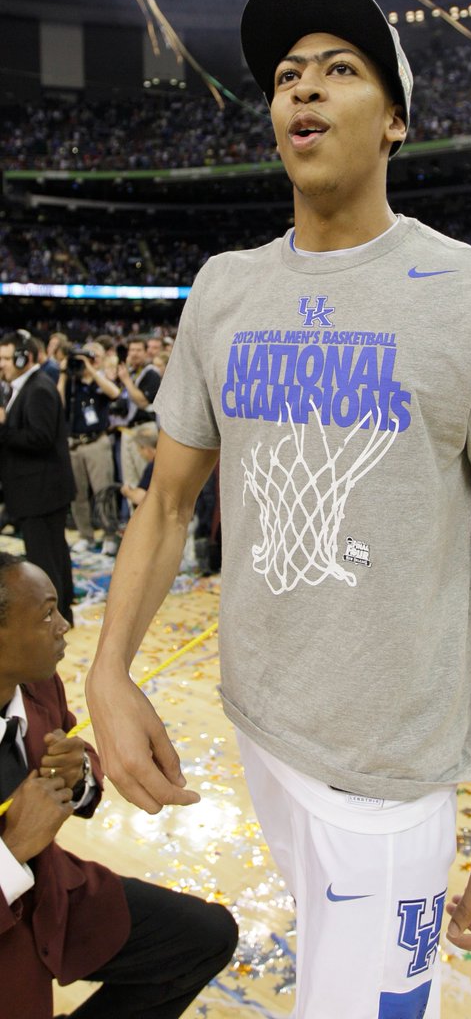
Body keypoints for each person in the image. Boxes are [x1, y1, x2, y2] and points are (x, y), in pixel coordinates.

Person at [85, 0, 471, 1018]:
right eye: (286, 77)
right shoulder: (224, 288)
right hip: (259, 722)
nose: (303, 89)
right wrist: (110, 670)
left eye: (340, 69)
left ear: (396, 119)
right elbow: (167, 505)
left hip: (387, 772)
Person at [0, 552, 238, 1019]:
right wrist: (12, 851)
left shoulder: (38, 685)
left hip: (54, 893)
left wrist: (79, 777)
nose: (64, 626)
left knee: (205, 937)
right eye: (47, 614)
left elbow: (77, 750)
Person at [0, 331, 75, 626]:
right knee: (55, 554)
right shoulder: (27, 387)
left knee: (46, 559)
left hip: (40, 492)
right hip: (39, 490)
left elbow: (40, 438)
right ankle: (63, 614)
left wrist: (3, 428)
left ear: (25, 357)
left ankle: (54, 620)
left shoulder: (38, 388)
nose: (1, 364)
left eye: (6, 358)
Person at [57, 342, 121, 556]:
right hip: (74, 443)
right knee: (77, 494)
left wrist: (92, 371)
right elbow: (57, 404)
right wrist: (64, 374)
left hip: (96, 442)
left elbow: (114, 393)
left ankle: (110, 535)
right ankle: (85, 535)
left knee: (103, 491)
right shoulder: (71, 382)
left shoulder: (100, 380)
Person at [116, 337, 160, 491]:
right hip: (128, 430)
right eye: (132, 350)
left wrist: (127, 381)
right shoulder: (130, 373)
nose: (134, 354)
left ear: (146, 352)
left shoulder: (152, 373)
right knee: (129, 482)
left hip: (144, 429)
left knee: (144, 481)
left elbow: (142, 401)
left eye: (138, 350)